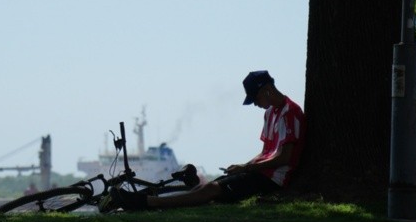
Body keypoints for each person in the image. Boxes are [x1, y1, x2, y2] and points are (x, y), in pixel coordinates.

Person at [100, 70, 305, 212]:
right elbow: (265, 152)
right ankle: (143, 200)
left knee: (212, 189)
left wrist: (246, 168)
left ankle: (145, 203)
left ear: (266, 90)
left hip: (273, 179)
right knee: (208, 187)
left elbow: (284, 158)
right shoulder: (270, 114)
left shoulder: (291, 113)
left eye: (255, 99)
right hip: (260, 172)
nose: (256, 105)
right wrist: (243, 166)